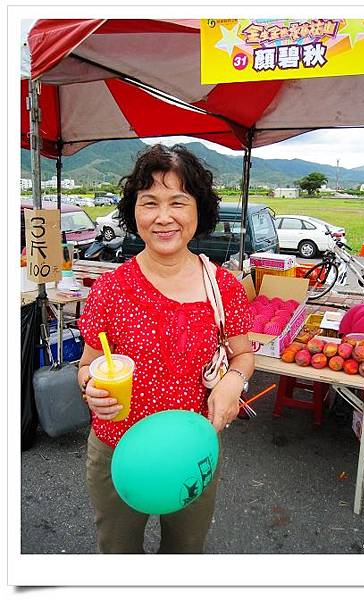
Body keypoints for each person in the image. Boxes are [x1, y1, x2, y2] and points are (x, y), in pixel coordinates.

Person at [77, 144, 254, 554]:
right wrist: (90, 386)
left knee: (185, 554)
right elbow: (87, 366)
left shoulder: (223, 286)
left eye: (178, 201)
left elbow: (243, 354)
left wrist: (234, 381)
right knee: (119, 556)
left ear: (198, 211)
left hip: (193, 449)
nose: (163, 216)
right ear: (133, 212)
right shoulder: (110, 289)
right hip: (117, 449)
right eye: (149, 202)